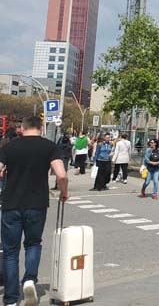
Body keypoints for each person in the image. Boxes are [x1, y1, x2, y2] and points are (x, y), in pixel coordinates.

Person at [0, 116, 68, 306]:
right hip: (37, 204)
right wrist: (64, 193)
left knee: (10, 252)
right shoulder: (50, 147)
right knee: (33, 244)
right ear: (40, 128)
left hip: (11, 204)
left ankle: (11, 299)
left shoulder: (9, 147)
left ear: (22, 128)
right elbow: (61, 175)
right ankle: (30, 280)